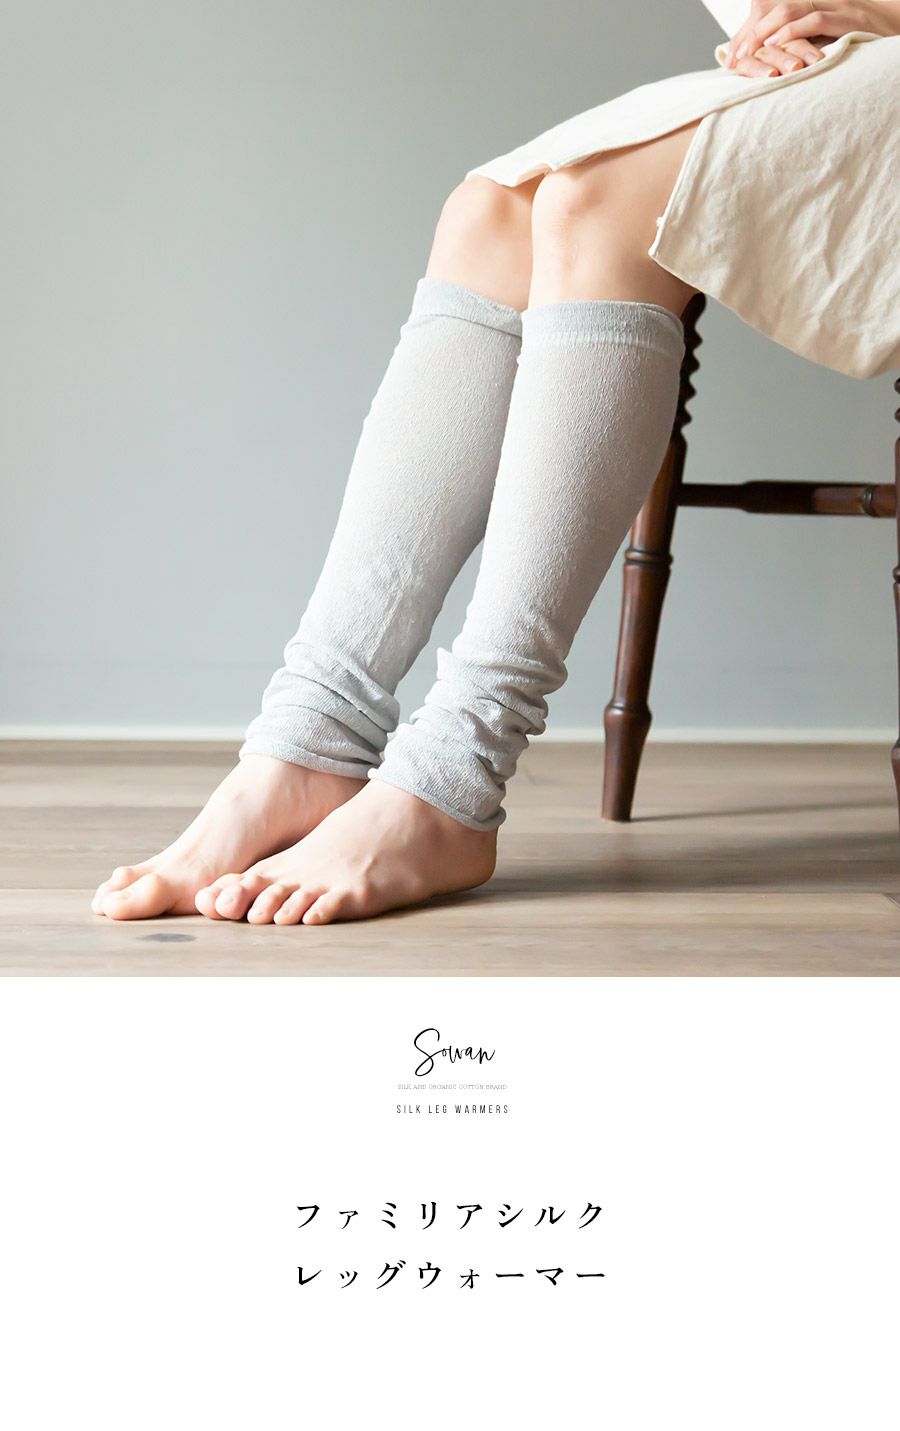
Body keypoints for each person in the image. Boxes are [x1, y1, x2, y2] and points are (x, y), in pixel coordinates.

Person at [92, 1, 900, 926]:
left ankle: (456, 773)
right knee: (489, 213)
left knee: (598, 203)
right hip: (844, 56)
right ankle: (309, 738)